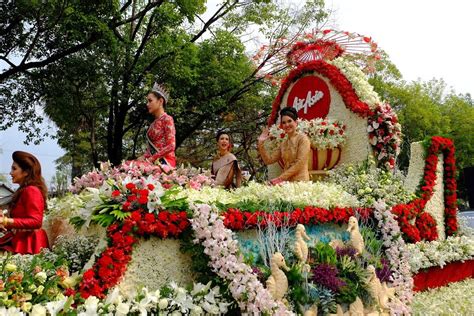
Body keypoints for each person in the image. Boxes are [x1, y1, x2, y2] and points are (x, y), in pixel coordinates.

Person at [0, 151, 49, 254]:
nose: (10, 173)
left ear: (26, 172)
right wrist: (3, 223)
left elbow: (36, 221)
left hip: (29, 242)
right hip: (20, 239)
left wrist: (6, 221)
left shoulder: (32, 190)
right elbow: (20, 220)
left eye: (14, 169)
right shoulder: (22, 190)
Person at [258, 107, 311, 184]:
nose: (287, 125)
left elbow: (300, 162)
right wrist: (261, 143)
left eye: (289, 121)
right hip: (287, 183)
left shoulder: (303, 139)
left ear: (296, 122)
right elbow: (269, 160)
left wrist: (280, 178)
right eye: (284, 122)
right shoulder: (283, 143)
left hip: (301, 182)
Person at [139, 82, 176, 167]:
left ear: (160, 101)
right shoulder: (152, 124)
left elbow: (171, 146)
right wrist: (143, 157)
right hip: (152, 161)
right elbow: (150, 149)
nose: (147, 104)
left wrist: (151, 159)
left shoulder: (167, 119)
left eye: (150, 101)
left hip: (165, 162)